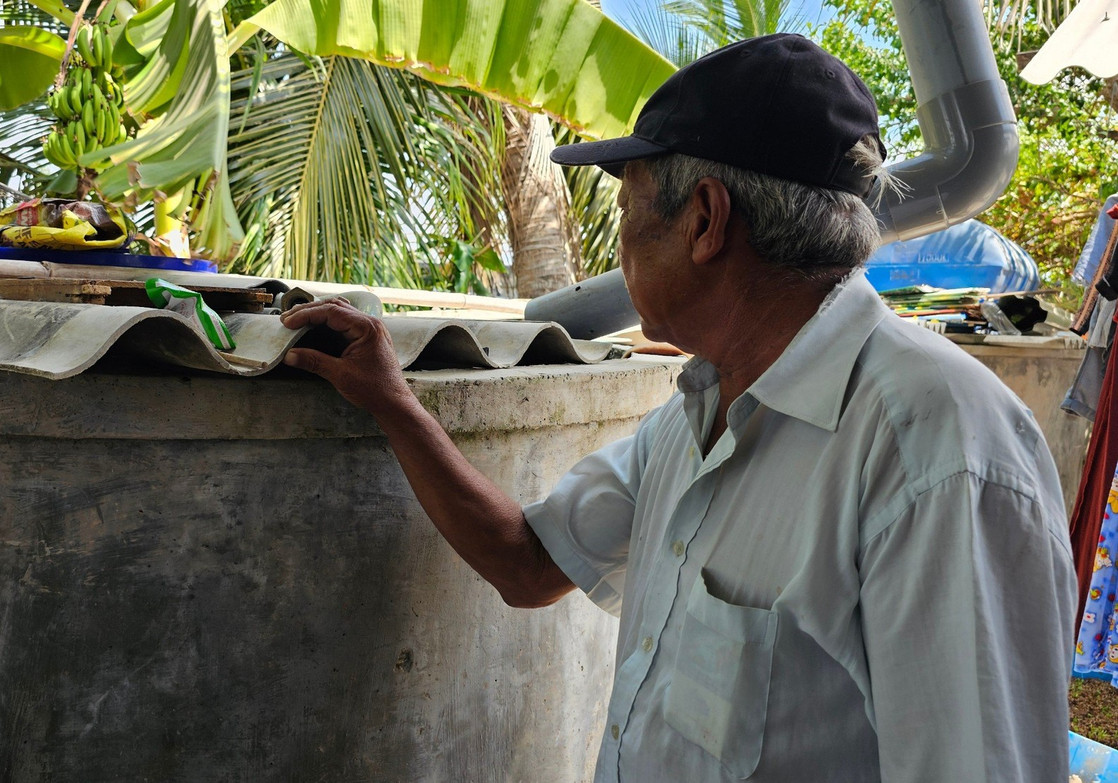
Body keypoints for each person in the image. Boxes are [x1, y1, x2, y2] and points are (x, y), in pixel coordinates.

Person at [280, 33, 1074, 782]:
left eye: (629, 218)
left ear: (704, 219)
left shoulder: (937, 452)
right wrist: (393, 400)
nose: (619, 251)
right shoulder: (696, 414)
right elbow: (524, 562)